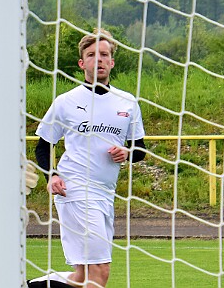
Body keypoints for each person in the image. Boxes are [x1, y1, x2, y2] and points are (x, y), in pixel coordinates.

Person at [28, 30, 146, 288]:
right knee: (100, 272)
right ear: (82, 63)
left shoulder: (127, 102)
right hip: (75, 190)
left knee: (81, 278)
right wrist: (52, 175)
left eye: (104, 54)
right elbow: (43, 146)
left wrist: (127, 153)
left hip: (105, 193)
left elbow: (140, 150)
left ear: (112, 62)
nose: (98, 59)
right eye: (92, 55)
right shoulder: (66, 102)